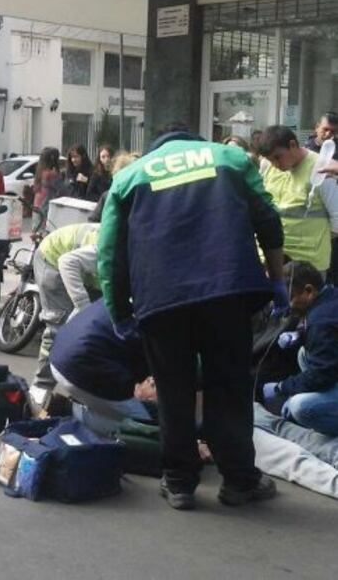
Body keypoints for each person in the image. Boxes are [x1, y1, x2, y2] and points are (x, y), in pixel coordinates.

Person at [99, 125, 286, 510]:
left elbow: (110, 252)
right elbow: (267, 217)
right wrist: (277, 278)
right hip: (226, 292)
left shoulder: (130, 176)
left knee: (173, 392)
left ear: (156, 145)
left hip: (161, 301)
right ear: (196, 139)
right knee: (229, 389)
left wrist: (119, 309)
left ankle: (180, 483)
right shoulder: (228, 158)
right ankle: (239, 481)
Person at [49, 300, 154, 435]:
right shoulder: (159, 317)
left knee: (115, 413)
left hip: (61, 353)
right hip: (81, 365)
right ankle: (71, 413)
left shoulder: (132, 290)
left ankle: (70, 412)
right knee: (144, 425)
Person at [262, 262, 338, 436]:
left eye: (290, 298)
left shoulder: (321, 322)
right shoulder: (331, 296)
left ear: (309, 291)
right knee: (303, 354)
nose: (288, 305)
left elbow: (322, 375)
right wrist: (301, 337)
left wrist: (281, 388)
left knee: (301, 407)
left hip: (328, 375)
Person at [31, 222, 100, 408]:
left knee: (96, 331)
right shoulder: (112, 247)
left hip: (86, 271)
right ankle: (40, 390)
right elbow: (67, 262)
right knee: (58, 326)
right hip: (54, 259)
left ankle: (82, 393)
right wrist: (81, 304)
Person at [256, 125, 338, 275]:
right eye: (270, 159)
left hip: (308, 266)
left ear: (292, 145)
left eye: (277, 157)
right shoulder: (267, 166)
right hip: (271, 258)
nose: (275, 164)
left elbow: (336, 220)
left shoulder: (322, 168)